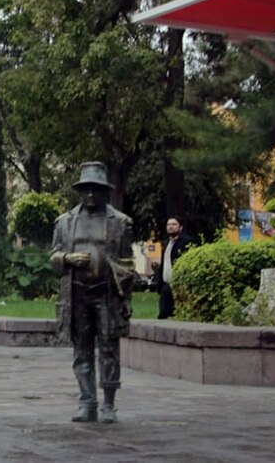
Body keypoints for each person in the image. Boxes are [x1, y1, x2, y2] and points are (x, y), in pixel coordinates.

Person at [50, 162, 135, 424]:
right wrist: (67, 258)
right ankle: (86, 402)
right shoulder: (65, 222)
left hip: (105, 295)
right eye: (85, 190)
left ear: (104, 191)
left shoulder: (120, 223)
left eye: (95, 190)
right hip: (77, 296)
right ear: (80, 191)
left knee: (109, 350)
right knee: (82, 351)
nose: (90, 195)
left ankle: (108, 405)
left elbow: (127, 264)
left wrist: (126, 299)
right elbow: (53, 258)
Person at [153, 216, 196, 320]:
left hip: (179, 285)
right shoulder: (166, 243)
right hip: (166, 285)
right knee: (163, 313)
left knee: (178, 313)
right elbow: (164, 263)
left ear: (180, 227)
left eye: (174, 224)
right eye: (168, 225)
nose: (170, 227)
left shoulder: (186, 242)